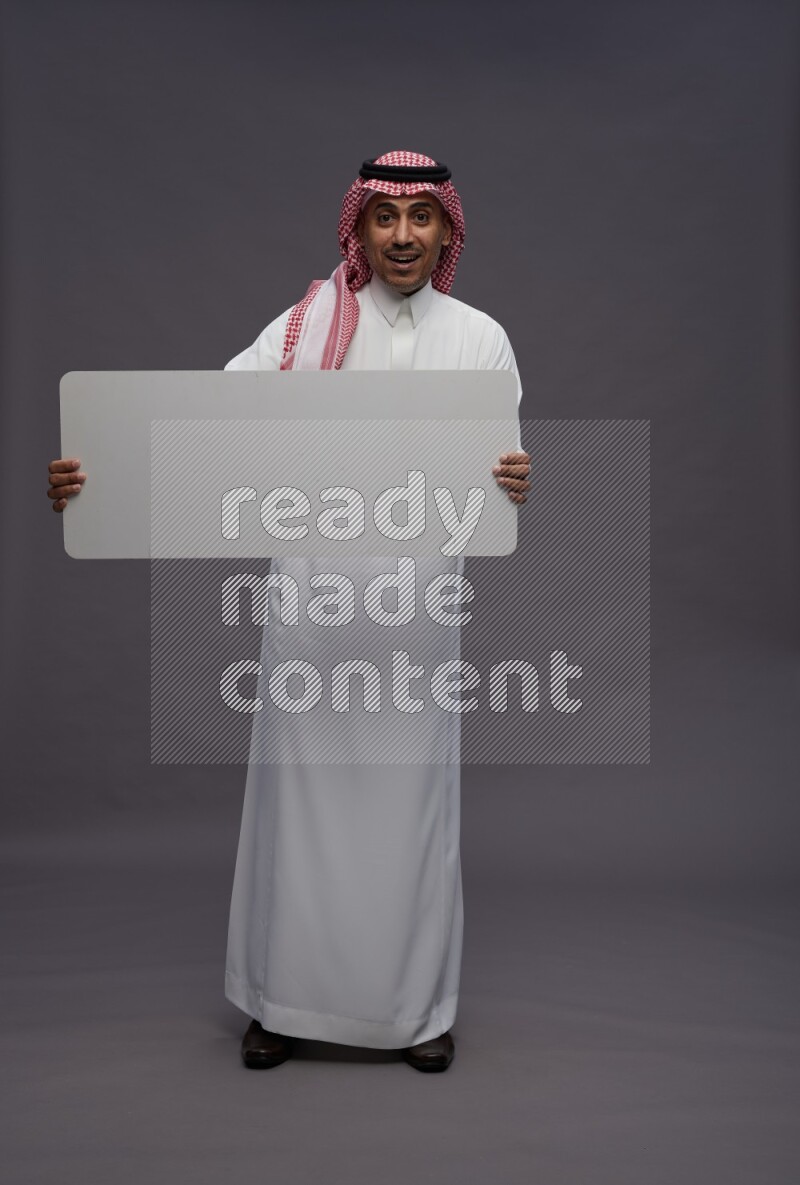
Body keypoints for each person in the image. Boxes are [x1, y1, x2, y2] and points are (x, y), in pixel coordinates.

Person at [46, 149, 531, 1074]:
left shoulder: (481, 338)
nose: (401, 236)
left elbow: (494, 475)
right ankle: (280, 1002)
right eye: (384, 218)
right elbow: (202, 430)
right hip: (310, 604)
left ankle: (417, 1011)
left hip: (415, 619)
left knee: (410, 811)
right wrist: (96, 479)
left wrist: (516, 478)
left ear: (446, 230)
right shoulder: (306, 326)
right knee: (294, 812)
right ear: (358, 227)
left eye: (421, 217)